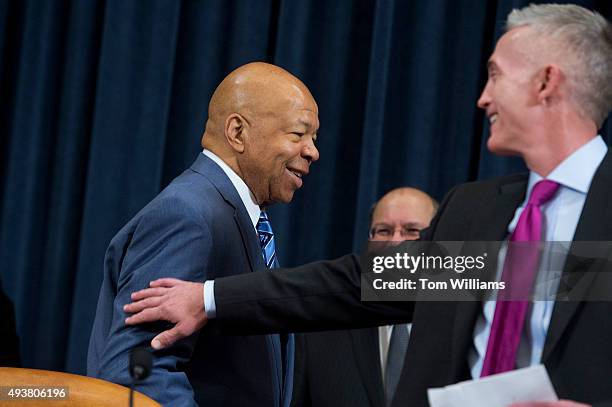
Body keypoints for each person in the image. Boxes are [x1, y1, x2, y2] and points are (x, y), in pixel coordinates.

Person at [125, 4, 612, 407]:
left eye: (495, 76)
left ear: (546, 83)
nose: (483, 98)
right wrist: (209, 299)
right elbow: (356, 283)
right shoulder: (477, 212)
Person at [88, 62, 320, 407]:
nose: (312, 151)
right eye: (298, 134)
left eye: (313, 138)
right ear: (237, 132)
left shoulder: (237, 216)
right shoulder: (188, 213)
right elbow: (138, 370)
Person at [292, 188, 438, 407]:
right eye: (383, 231)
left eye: (411, 230)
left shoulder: (459, 324)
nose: (396, 242)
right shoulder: (321, 329)